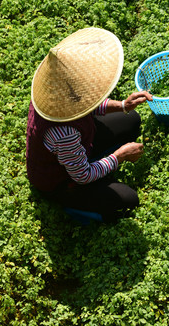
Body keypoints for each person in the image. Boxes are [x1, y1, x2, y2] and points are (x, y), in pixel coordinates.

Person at [26, 27, 152, 222]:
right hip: (61, 181)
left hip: (77, 145)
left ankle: (95, 157)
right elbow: (82, 175)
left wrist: (122, 106)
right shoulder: (63, 133)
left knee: (131, 119)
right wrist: (120, 156)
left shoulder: (53, 94)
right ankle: (74, 207)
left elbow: (87, 103)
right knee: (128, 200)